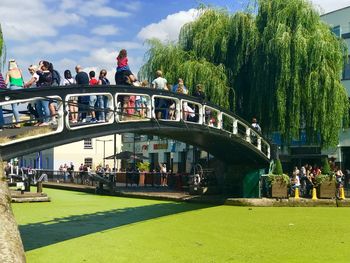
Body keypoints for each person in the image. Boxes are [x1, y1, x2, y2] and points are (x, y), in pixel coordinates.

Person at [5, 59, 24, 128]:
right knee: (17, 103)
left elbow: (6, 83)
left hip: (13, 88)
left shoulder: (9, 72)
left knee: (14, 106)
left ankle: (18, 122)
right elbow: (22, 80)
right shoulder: (20, 71)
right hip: (21, 88)